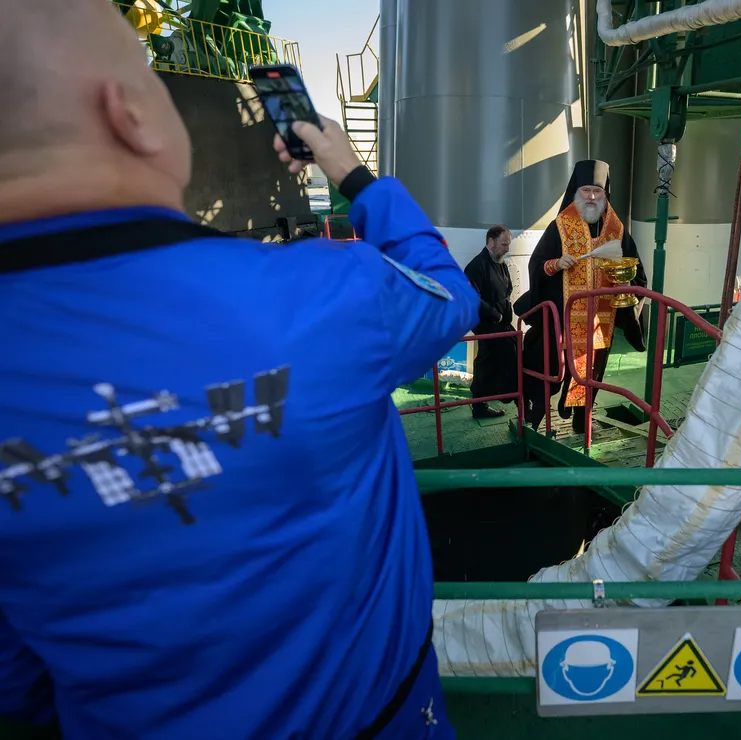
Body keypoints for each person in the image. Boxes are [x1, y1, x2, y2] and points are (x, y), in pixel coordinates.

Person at [0, 2, 476, 738]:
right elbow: (449, 296)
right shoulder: (325, 295)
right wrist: (351, 173)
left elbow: (17, 677)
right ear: (129, 113)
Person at [519, 160, 646, 434]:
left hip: (601, 320)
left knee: (592, 372)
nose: (591, 196)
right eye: (586, 190)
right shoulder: (560, 226)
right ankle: (534, 419)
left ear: (605, 194)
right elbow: (537, 264)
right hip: (562, 319)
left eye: (597, 191)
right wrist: (555, 264)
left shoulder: (616, 230)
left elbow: (635, 270)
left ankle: (581, 422)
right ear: (576, 192)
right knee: (550, 370)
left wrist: (625, 281)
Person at [463, 225, 517, 419]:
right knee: (489, 361)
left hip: (500, 322)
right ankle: (497, 398)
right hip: (486, 323)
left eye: (508, 245)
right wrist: (496, 315)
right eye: (504, 245)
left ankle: (505, 395)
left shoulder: (500, 263)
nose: (507, 249)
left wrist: (505, 313)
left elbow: (507, 289)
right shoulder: (476, 266)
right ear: (491, 242)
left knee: (512, 350)